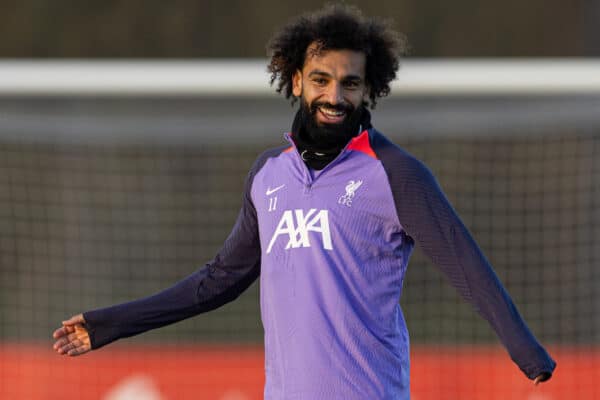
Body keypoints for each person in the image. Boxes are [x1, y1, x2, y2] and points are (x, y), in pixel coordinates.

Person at [53, 4, 556, 399]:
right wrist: (111, 324)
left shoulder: (396, 174)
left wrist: (525, 349)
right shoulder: (268, 174)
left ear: (368, 90)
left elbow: (466, 264)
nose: (334, 95)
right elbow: (218, 281)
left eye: (350, 83)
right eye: (321, 79)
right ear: (296, 80)